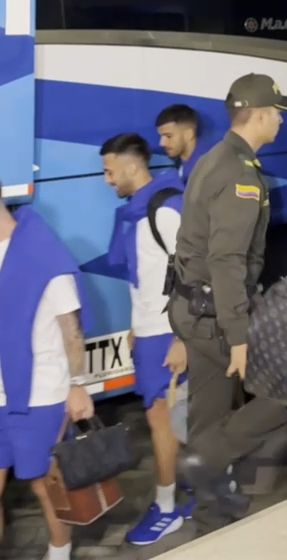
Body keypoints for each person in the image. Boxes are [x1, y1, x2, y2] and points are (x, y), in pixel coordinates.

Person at [169, 74, 287, 530]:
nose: (282, 120)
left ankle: (208, 512)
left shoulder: (214, 158)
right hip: (217, 316)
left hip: (193, 309)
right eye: (278, 112)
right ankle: (206, 460)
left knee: (207, 410)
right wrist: (240, 338)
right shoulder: (240, 175)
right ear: (261, 114)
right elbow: (226, 260)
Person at [100, 133, 188, 545]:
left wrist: (182, 339)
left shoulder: (166, 209)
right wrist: (137, 323)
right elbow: (152, 277)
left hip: (168, 334)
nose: (106, 179)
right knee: (175, 420)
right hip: (150, 330)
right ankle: (203, 486)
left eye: (109, 170)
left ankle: (167, 508)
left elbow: (194, 275)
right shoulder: (137, 211)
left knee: (163, 424)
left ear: (133, 167)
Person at [0, 193, 93, 560]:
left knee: (43, 482)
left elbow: (70, 327)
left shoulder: (41, 251)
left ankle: (60, 551)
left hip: (40, 393)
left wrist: (77, 385)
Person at [156, 104, 211, 185]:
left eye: (168, 136)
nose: (161, 143)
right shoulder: (184, 162)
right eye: (161, 136)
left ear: (188, 134)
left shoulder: (209, 167)